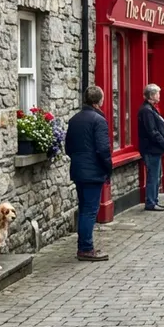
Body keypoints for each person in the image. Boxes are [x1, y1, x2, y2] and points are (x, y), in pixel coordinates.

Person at [66, 86, 112, 262]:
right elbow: (103, 149)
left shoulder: (74, 119)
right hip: (93, 171)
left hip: (78, 170)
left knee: (84, 207)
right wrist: (108, 168)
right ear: (99, 100)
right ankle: (85, 248)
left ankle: (84, 245)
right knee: (90, 211)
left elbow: (68, 148)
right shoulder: (98, 120)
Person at [138, 83, 164, 212]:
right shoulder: (146, 110)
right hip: (151, 149)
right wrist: (163, 143)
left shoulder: (151, 108)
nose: (159, 96)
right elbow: (152, 131)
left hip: (155, 149)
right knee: (153, 176)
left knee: (156, 176)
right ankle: (151, 202)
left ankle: (154, 200)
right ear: (151, 95)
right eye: (157, 93)